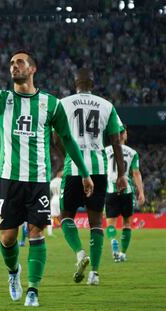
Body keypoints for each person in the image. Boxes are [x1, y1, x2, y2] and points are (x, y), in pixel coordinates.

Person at [0, 35, 94, 307]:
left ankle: (33, 289)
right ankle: (14, 273)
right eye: (11, 63)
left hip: (38, 181)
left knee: (36, 233)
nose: (14, 66)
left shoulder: (52, 104)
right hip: (9, 179)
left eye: (20, 62)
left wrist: (84, 172)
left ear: (32, 69)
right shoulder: (1, 98)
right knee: (8, 238)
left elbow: (68, 140)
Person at [57, 68, 127, 286]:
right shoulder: (107, 106)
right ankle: (94, 274)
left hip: (74, 169)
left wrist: (67, 157)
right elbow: (116, 142)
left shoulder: (63, 103)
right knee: (96, 222)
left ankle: (79, 253)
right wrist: (122, 174)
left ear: (74, 83)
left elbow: (55, 138)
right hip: (98, 169)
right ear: (93, 84)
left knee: (65, 217)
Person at [105, 126, 145, 262]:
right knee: (127, 223)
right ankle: (122, 253)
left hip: (111, 190)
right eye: (126, 132)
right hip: (126, 191)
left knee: (110, 223)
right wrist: (141, 192)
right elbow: (136, 173)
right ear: (123, 135)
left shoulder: (105, 151)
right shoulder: (132, 153)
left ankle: (113, 242)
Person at [48, 170, 63, 236]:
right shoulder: (62, 181)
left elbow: (49, 190)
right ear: (59, 173)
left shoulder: (52, 181)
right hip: (60, 198)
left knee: (52, 216)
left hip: (53, 198)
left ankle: (50, 232)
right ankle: (62, 228)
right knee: (61, 215)